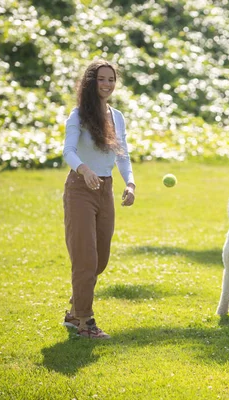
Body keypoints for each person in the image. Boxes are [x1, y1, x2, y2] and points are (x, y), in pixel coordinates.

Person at [61, 60, 136, 339]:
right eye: (101, 79)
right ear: (90, 82)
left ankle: (73, 311)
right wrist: (84, 169)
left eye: (111, 79)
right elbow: (68, 151)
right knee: (85, 259)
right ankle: (84, 322)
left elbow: (123, 154)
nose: (106, 84)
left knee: (99, 260)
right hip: (80, 188)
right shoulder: (78, 115)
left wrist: (130, 183)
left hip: (105, 189)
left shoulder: (117, 116)